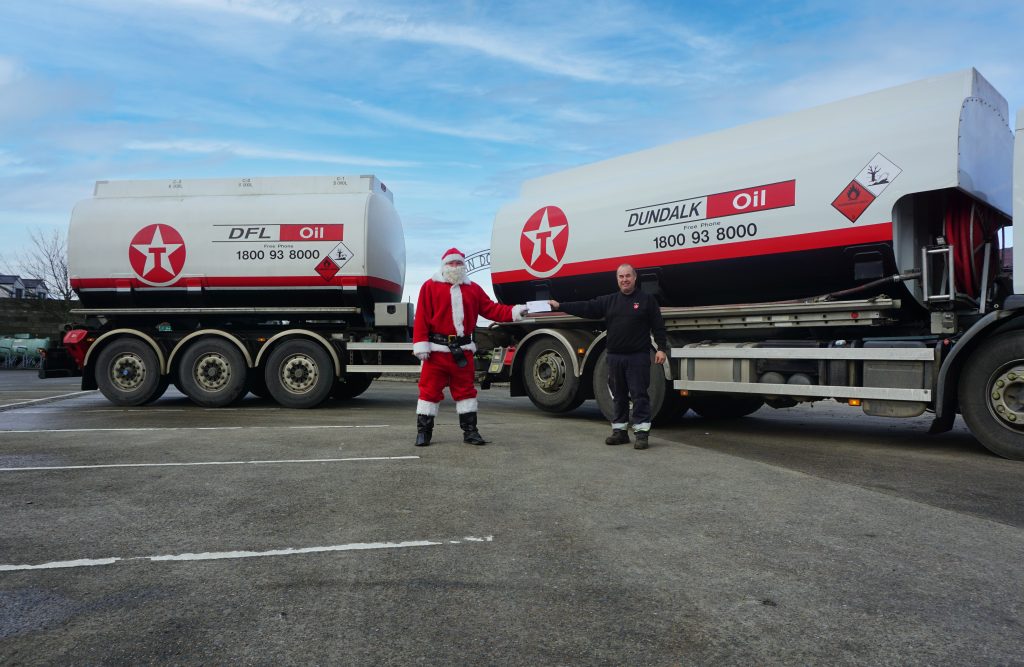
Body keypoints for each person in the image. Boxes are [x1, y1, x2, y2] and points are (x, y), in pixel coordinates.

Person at [412, 248, 527, 446]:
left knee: (466, 392)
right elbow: (421, 317)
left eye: (458, 263)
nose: (455, 267)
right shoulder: (429, 287)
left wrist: (515, 311)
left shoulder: (473, 289)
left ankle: (470, 432)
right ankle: (423, 432)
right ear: (444, 265)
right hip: (436, 351)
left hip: (462, 351)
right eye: (451, 263)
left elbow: (492, 309)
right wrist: (421, 346)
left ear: (463, 266)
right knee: (429, 392)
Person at [548, 264, 668, 450]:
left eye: (628, 276)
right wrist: (560, 305)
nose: (625, 279)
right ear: (617, 279)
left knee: (639, 395)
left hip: (638, 357)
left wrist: (661, 349)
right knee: (618, 396)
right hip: (615, 357)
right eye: (621, 276)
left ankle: (641, 434)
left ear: (635, 278)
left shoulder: (647, 300)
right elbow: (586, 307)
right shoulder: (609, 301)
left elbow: (658, 326)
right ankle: (619, 432)